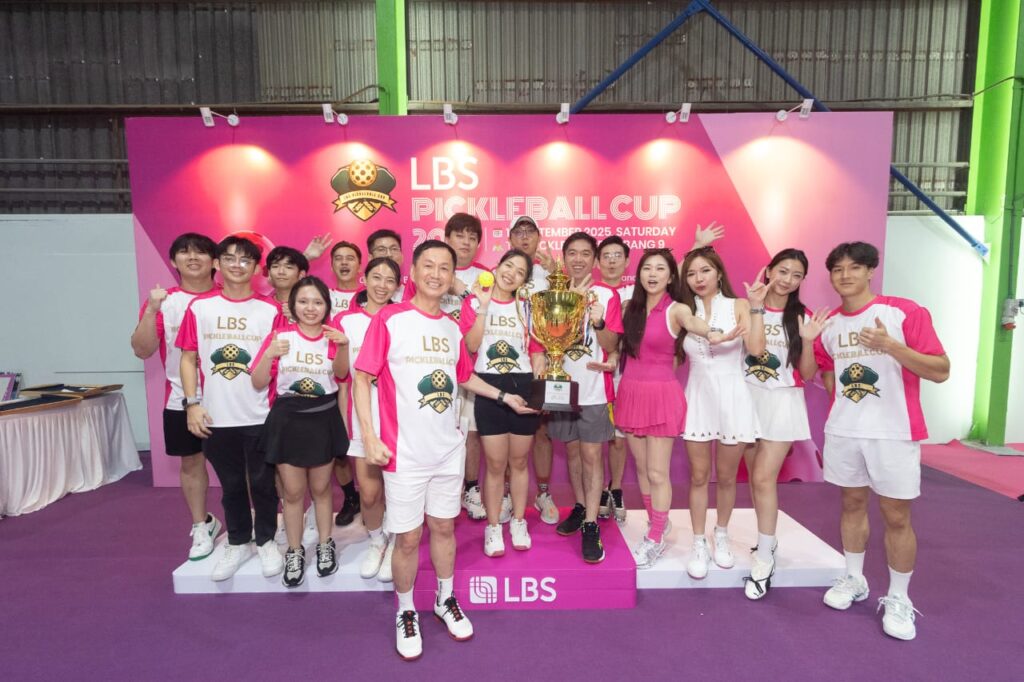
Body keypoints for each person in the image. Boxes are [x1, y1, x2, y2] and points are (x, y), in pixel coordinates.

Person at [353, 240, 534, 660]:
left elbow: (464, 377)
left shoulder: (453, 328)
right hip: (403, 452)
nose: (436, 274)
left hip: (447, 450)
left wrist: (504, 396)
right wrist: (370, 436)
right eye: (428, 266)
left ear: (453, 277)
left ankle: (444, 598)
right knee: (408, 538)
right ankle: (405, 610)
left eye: (444, 268)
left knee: (444, 528)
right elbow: (362, 377)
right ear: (413, 272)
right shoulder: (390, 319)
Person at [814, 242, 948, 641]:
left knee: (896, 516)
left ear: (871, 270)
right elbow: (826, 373)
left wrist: (891, 346)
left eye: (855, 267)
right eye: (838, 269)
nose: (845, 275)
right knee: (851, 504)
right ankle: (854, 578)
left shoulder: (903, 312)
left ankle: (899, 597)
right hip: (845, 431)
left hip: (893, 431)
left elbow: (940, 369)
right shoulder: (829, 324)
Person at [617, 249, 733, 569]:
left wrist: (711, 332)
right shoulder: (629, 308)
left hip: (661, 395)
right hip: (630, 392)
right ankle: (659, 522)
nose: (652, 274)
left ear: (671, 276)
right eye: (647, 268)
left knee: (657, 472)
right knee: (642, 470)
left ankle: (655, 537)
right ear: (639, 274)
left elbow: (694, 323)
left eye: (660, 269)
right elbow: (617, 347)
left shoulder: (677, 309)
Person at [176, 235, 283, 581]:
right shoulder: (200, 308)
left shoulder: (270, 310)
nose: (238, 265)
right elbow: (188, 358)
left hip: (261, 414)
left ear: (256, 268)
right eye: (230, 258)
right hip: (216, 415)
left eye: (246, 260)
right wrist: (192, 404)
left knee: (264, 483)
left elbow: (278, 363)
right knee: (232, 484)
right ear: (217, 264)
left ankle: (266, 539)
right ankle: (237, 541)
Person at [741, 249, 830, 599]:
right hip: (747, 398)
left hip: (782, 401)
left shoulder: (802, 317)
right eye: (783, 271)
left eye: (796, 275)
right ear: (769, 271)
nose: (788, 280)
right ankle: (767, 540)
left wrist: (807, 340)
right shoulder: (748, 306)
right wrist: (756, 307)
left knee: (764, 478)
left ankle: (765, 558)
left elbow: (806, 373)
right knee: (755, 478)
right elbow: (748, 351)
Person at [251, 276, 350, 587]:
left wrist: (344, 346)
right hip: (288, 420)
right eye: (303, 301)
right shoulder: (280, 337)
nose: (310, 308)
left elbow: (341, 375)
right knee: (293, 493)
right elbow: (257, 381)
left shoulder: (333, 337)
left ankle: (325, 544)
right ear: (292, 306)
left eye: (317, 302)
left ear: (327, 306)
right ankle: (294, 551)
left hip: (323, 419)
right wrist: (269, 354)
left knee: (321, 490)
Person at [130, 232, 222, 561]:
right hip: (181, 399)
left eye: (200, 252)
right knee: (191, 463)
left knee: (244, 465)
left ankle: (251, 522)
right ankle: (201, 525)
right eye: (184, 252)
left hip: (230, 398)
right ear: (173, 261)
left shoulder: (228, 298)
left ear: (215, 262)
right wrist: (151, 310)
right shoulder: (163, 301)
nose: (192, 257)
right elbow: (142, 349)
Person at [543, 231, 622, 564]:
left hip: (594, 389)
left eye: (585, 253)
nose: (578, 259)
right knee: (572, 452)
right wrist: (568, 307)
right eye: (572, 253)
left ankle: (591, 523)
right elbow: (544, 342)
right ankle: (580, 505)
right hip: (562, 387)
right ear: (564, 258)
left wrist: (598, 320)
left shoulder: (607, 294)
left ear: (595, 260)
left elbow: (612, 344)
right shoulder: (550, 294)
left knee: (591, 456)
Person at [679, 246, 756, 579]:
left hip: (732, 396)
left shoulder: (738, 305)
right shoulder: (683, 310)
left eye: (705, 270)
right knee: (698, 476)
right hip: (697, 396)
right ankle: (698, 541)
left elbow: (756, 349)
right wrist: (691, 248)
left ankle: (721, 534)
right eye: (691, 273)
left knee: (726, 477)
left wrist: (755, 308)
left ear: (719, 273)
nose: (698, 278)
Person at [459, 249, 542, 556]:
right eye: (508, 266)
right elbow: (471, 345)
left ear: (524, 280)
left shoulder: (528, 307)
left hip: (523, 385)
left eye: (520, 272)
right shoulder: (473, 301)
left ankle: (518, 521)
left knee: (519, 462)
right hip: (488, 387)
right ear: (496, 267)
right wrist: (483, 307)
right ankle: (493, 527)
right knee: (495, 465)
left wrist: (541, 381)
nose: (511, 274)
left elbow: (537, 350)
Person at [332, 257, 402, 582]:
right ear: (364, 279)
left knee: (398, 491)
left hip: (400, 421)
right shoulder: (345, 320)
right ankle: (377, 541)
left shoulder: (403, 319)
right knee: (370, 493)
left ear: (397, 286)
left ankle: (396, 541)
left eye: (390, 280)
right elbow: (341, 374)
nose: (382, 285)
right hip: (364, 421)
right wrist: (344, 347)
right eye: (376, 277)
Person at [508, 215, 560, 524]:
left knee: (541, 431)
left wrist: (555, 272)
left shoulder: (549, 273)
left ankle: (542, 493)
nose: (525, 237)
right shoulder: (503, 273)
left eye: (530, 232)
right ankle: (506, 494)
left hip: (542, 360)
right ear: (510, 239)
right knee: (506, 430)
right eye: (519, 232)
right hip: (508, 363)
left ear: (539, 238)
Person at [594, 236, 632, 523]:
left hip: (627, 373)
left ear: (627, 261)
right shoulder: (590, 292)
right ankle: (594, 494)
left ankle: (615, 489)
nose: (611, 260)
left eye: (617, 255)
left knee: (619, 438)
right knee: (595, 440)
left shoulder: (637, 291)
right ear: (597, 262)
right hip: (596, 371)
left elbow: (670, 274)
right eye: (606, 255)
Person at [366, 228, 406, 302]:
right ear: (370, 258)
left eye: (394, 249)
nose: (389, 254)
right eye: (381, 249)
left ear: (402, 256)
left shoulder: (414, 294)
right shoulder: (359, 297)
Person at [329, 240, 363, 315]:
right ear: (332, 267)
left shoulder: (369, 296)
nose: (344, 262)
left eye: (350, 258)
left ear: (359, 267)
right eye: (338, 258)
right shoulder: (324, 296)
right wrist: (307, 256)